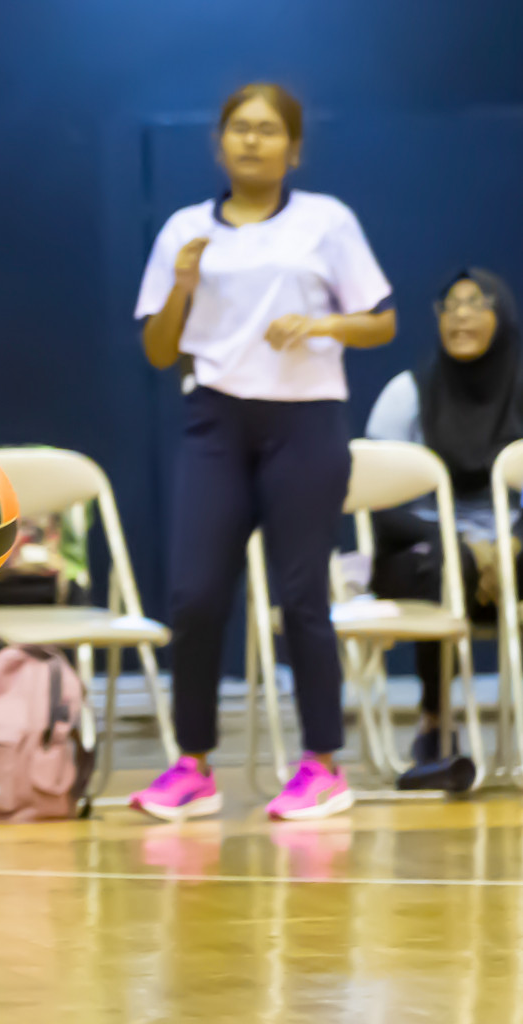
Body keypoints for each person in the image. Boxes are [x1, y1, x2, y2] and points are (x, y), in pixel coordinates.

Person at [129, 83, 396, 822]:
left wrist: (322, 326)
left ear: (293, 148)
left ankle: (322, 765)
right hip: (214, 421)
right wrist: (182, 286)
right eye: (239, 129)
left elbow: (381, 322)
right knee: (194, 596)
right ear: (219, 144)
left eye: (268, 130)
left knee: (302, 596)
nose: (252, 141)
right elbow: (157, 349)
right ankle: (192, 766)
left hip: (305, 423)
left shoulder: (326, 222)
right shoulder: (185, 229)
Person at [367, 269, 523, 764]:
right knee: (449, 561)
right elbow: (379, 505)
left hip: (510, 562)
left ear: (502, 314)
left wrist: (508, 542)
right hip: (425, 557)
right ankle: (436, 722)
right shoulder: (408, 393)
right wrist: (465, 547)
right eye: (450, 305)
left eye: (476, 302)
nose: (461, 315)